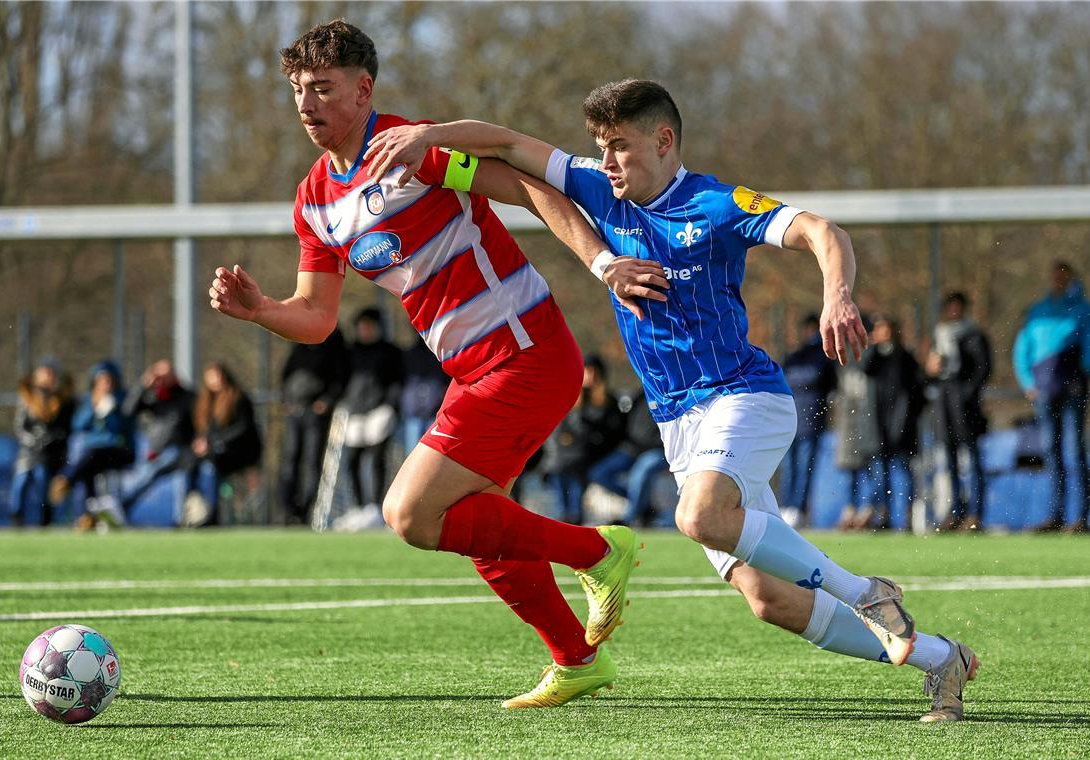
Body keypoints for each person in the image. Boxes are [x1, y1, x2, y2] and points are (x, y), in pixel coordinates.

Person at [367, 78, 980, 721]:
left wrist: (838, 293)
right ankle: (943, 660)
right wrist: (428, 137)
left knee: (700, 515)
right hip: (676, 422)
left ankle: (867, 591)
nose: (606, 162)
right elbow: (509, 145)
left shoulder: (716, 204)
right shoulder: (599, 188)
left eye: (619, 147)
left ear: (663, 141)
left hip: (743, 398)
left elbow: (822, 231)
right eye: (600, 147)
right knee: (768, 599)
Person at [208, 20, 640, 708]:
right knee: (473, 521)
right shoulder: (315, 200)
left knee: (410, 512)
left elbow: (528, 189)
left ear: (363, 89)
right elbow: (317, 317)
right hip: (474, 371)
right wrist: (262, 309)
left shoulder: (414, 150)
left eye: (322, 88)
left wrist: (602, 263)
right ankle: (576, 659)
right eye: (297, 90)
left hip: (526, 350)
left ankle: (598, 552)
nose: (306, 103)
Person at [1013, 261, 1090, 532]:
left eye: (1063, 277)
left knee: (1075, 450)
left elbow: (1088, 349)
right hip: (1044, 389)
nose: (1058, 281)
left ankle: (1080, 516)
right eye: (1054, 276)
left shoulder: (1082, 310)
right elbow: (1023, 349)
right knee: (1050, 451)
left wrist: (1083, 375)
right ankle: (1055, 515)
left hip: (1072, 388)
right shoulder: (1038, 312)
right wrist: (1027, 382)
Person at [97, 359, 196, 525]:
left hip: (179, 449)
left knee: (169, 478)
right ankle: (119, 509)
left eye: (166, 374)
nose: (162, 379)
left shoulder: (185, 396)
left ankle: (120, 506)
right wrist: (144, 385)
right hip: (156, 451)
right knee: (144, 477)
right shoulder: (153, 396)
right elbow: (128, 410)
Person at [926, 292, 991, 531]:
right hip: (944, 403)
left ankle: (975, 514)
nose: (953, 310)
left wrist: (966, 393)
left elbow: (983, 369)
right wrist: (930, 371)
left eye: (957, 306)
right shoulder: (940, 334)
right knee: (950, 460)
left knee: (973, 459)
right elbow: (929, 374)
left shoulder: (974, 334)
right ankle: (955, 513)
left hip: (966, 405)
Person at [49, 360, 135, 530]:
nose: (106, 384)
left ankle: (65, 478)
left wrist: (112, 411)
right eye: (102, 380)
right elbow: (78, 424)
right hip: (93, 454)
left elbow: (122, 430)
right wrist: (94, 409)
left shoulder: (123, 399)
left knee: (89, 458)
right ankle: (85, 517)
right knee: (86, 469)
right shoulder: (89, 399)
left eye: (109, 380)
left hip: (119, 450)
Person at [541, 355, 625, 525]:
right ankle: (566, 519)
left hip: (589, 456)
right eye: (587, 370)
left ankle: (572, 518)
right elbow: (560, 431)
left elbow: (610, 433)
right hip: (565, 457)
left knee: (573, 474)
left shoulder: (607, 402)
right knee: (561, 469)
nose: (590, 375)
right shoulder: (571, 397)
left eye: (593, 371)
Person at [861, 316, 925, 531]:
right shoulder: (874, 358)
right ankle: (883, 515)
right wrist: (871, 347)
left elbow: (918, 392)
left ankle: (907, 516)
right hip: (878, 428)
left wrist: (907, 420)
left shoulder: (905, 359)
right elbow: (864, 368)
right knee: (880, 475)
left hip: (902, 427)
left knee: (904, 472)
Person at [279, 329, 349, 525]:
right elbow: (286, 374)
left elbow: (339, 377)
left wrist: (326, 401)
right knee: (290, 460)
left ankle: (306, 510)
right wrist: (286, 399)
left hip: (315, 413)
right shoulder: (299, 347)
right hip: (295, 410)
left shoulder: (332, 344)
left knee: (312, 461)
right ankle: (288, 509)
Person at [340, 307, 403, 519]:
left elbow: (397, 382)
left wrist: (390, 406)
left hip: (380, 411)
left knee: (377, 459)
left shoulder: (390, 352)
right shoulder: (349, 353)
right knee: (352, 460)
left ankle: (375, 508)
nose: (365, 330)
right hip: (355, 412)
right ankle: (358, 508)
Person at [778, 314, 837, 528]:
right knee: (788, 468)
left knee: (804, 468)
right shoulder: (793, 357)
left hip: (811, 422)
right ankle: (786, 508)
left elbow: (830, 387)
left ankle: (798, 510)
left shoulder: (823, 359)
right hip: (789, 422)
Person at [190, 362, 263, 525]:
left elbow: (243, 428)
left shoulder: (238, 398)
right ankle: (194, 507)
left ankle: (212, 513)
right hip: (215, 451)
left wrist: (214, 443)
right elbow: (205, 431)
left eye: (217, 376)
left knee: (210, 465)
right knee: (190, 463)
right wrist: (202, 443)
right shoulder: (205, 403)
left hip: (239, 452)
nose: (214, 381)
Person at [588, 389, 669, 528]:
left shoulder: (669, 394)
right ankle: (642, 504)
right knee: (598, 473)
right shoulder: (639, 395)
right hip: (633, 448)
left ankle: (629, 519)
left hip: (658, 450)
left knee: (641, 470)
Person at [11, 362, 74, 527]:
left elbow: (65, 428)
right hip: (28, 452)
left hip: (48, 454)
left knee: (43, 481)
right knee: (21, 482)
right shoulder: (27, 398)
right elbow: (20, 428)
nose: (48, 378)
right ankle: (16, 520)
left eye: (51, 375)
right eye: (45, 373)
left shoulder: (60, 400)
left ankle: (45, 520)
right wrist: (33, 440)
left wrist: (51, 438)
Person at [831, 339, 880, 531]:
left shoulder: (869, 355)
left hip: (868, 419)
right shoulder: (840, 358)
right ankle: (850, 511)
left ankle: (868, 510)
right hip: (847, 420)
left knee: (871, 470)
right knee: (850, 470)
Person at [399, 339, 451, 457]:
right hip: (413, 413)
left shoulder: (442, 354)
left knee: (435, 457)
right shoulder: (410, 354)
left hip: (435, 414)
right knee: (411, 456)